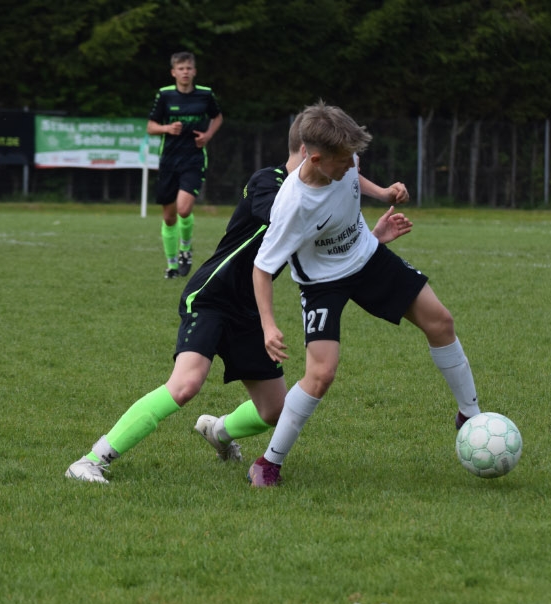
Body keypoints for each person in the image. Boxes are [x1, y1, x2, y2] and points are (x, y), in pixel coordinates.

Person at [65, 113, 411, 484]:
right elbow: (294, 223)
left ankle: (218, 432)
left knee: (275, 409)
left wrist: (368, 239)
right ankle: (90, 460)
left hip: (250, 308)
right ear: (308, 152)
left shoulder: (316, 191)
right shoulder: (268, 183)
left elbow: (319, 232)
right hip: (213, 295)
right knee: (186, 384)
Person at [250, 101, 481, 487]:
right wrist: (268, 325)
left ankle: (470, 415)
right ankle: (268, 463)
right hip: (322, 283)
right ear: (316, 158)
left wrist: (383, 193)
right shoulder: (293, 206)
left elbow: (354, 177)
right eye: (344, 160)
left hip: (367, 256)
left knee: (441, 322)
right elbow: (261, 269)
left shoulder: (343, 158)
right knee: (321, 374)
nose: (351, 164)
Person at [147, 51, 224, 279]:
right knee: (169, 217)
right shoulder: (165, 95)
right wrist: (166, 128)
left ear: (194, 71)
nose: (185, 72)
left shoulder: (205, 95)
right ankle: (172, 265)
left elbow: (218, 117)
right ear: (173, 72)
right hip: (169, 161)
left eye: (189, 68)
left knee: (183, 209)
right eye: (181, 69)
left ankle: (186, 249)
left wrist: (207, 135)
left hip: (193, 159)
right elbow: (151, 126)